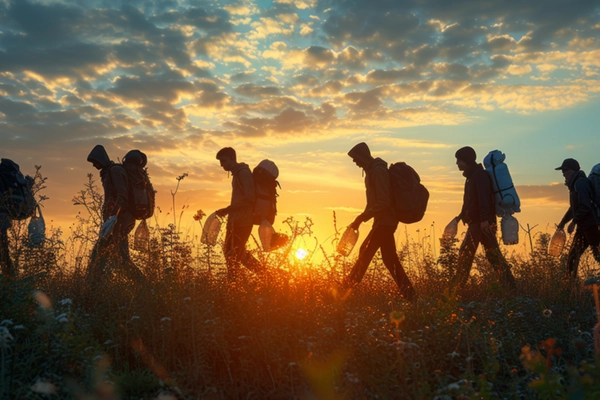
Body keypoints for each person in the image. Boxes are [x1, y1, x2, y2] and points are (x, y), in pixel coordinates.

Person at [342, 142, 416, 300]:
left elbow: (384, 201)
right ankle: (410, 296)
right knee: (390, 259)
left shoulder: (378, 171)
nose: (355, 162)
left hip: (386, 221)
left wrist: (362, 218)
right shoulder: (371, 171)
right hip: (382, 221)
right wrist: (363, 217)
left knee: (365, 252)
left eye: (356, 159)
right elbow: (374, 202)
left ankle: (344, 293)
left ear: (363, 156)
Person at [446, 146, 516, 292]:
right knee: (493, 256)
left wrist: (485, 220)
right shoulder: (472, 176)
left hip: (480, 223)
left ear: (467, 160)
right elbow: (471, 201)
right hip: (480, 221)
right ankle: (510, 286)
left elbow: (484, 199)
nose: (457, 163)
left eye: (459, 160)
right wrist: (460, 216)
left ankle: (455, 290)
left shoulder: (479, 175)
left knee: (465, 254)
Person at [86, 145, 145, 286]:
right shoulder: (112, 171)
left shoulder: (114, 171)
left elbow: (121, 194)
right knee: (107, 255)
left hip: (120, 221)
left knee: (112, 257)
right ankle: (95, 285)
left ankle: (145, 286)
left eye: (95, 161)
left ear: (101, 159)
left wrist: (113, 217)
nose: (94, 165)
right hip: (120, 220)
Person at [215, 147, 262, 279]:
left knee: (236, 253)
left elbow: (250, 197)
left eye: (223, 161)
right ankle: (235, 279)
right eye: (220, 162)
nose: (221, 164)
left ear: (232, 159)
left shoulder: (243, 173)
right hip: (235, 220)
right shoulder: (237, 174)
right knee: (231, 252)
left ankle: (265, 275)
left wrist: (228, 209)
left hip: (243, 221)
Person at [554, 158, 600, 281]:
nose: (563, 173)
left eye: (565, 170)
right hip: (584, 227)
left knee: (597, 255)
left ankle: (569, 285)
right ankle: (568, 287)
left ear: (572, 170)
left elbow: (585, 205)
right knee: (573, 257)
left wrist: (574, 222)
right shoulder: (575, 184)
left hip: (592, 226)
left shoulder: (580, 183)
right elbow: (573, 208)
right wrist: (562, 223)